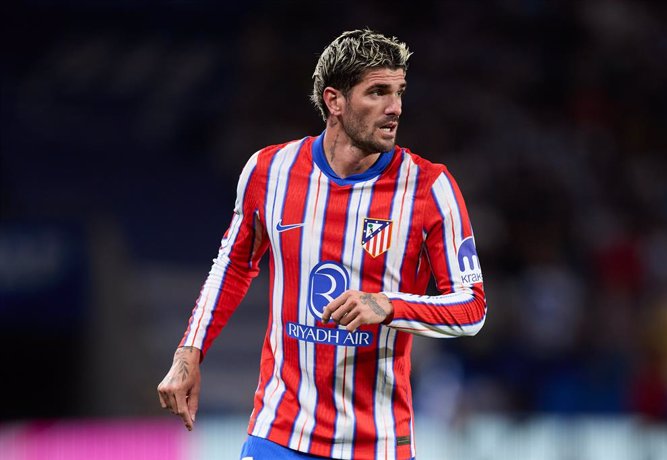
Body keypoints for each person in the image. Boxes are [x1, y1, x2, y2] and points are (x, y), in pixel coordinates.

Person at [157, 28, 487, 460]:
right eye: (378, 92)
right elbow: (233, 265)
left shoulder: (429, 188)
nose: (395, 108)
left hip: (375, 443)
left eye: (399, 92)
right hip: (280, 431)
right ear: (335, 101)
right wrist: (189, 353)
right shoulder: (268, 171)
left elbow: (472, 308)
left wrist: (389, 305)